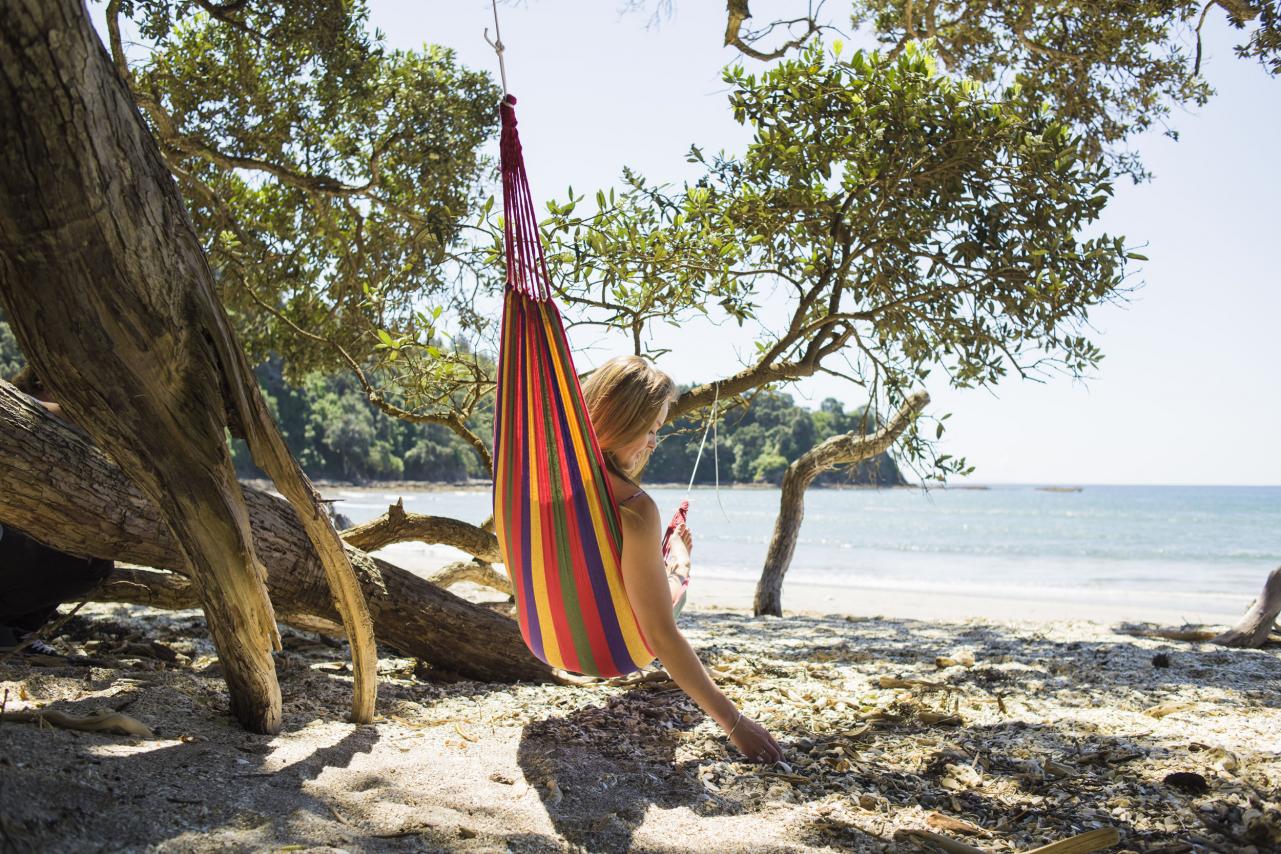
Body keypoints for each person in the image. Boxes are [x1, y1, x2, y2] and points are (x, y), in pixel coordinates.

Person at [582, 355, 784, 764]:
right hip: (608, 641)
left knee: (650, 571)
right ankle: (678, 563)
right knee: (676, 586)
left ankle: (670, 561)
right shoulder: (636, 510)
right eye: (652, 429)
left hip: (560, 625)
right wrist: (734, 723)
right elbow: (661, 634)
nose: (655, 442)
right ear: (622, 420)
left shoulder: (550, 481)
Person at [0, 367, 114, 655]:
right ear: (41, 383)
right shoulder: (14, 409)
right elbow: (44, 412)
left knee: (93, 560)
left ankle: (19, 630)